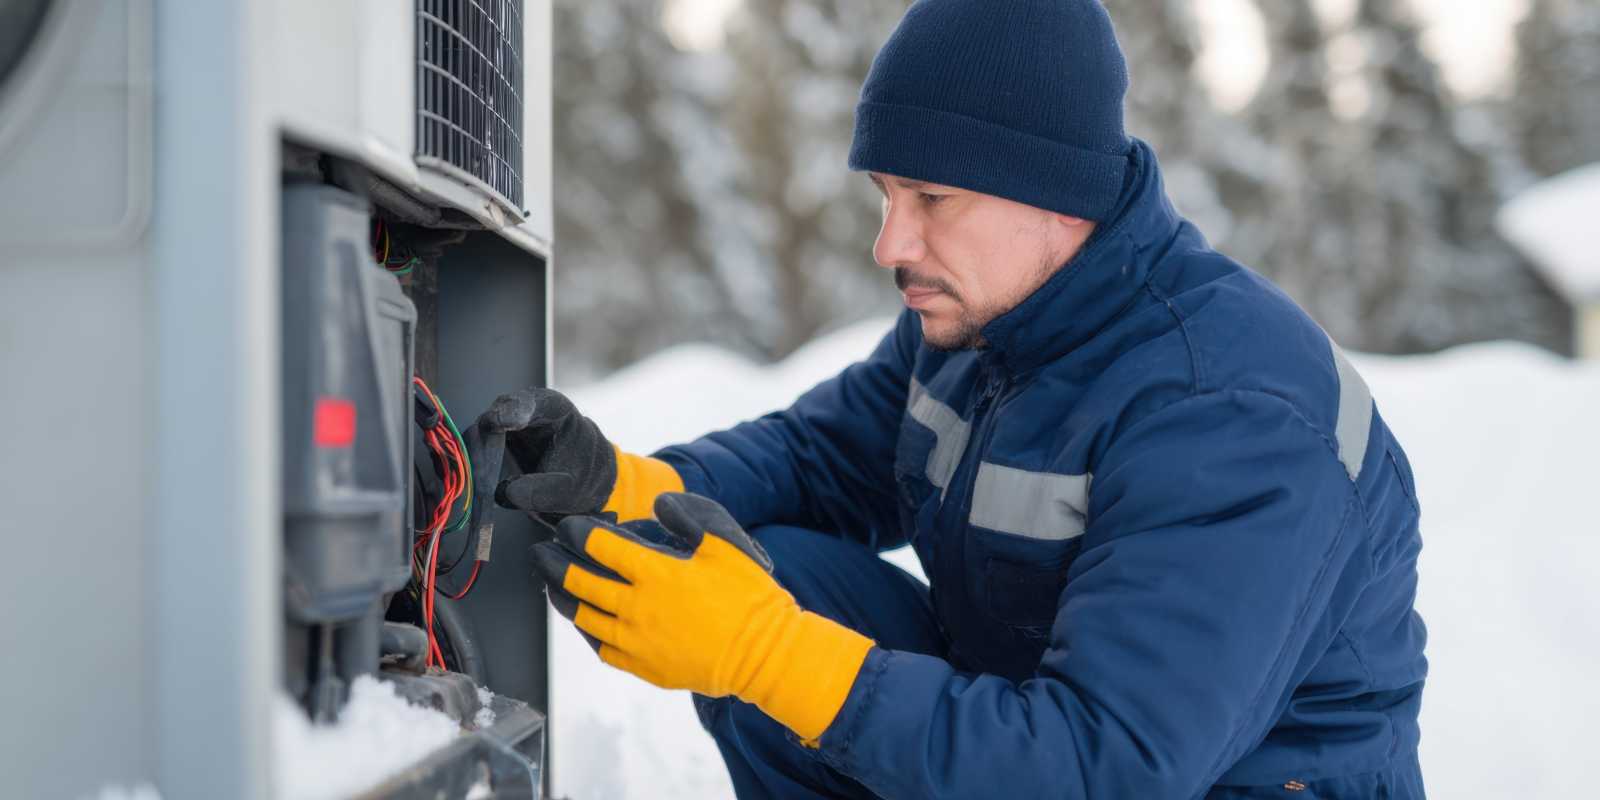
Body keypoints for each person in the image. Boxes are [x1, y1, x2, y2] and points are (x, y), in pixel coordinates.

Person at [489, 0, 1428, 796]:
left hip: (1204, 780)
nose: (890, 244)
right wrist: (622, 487)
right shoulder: (985, 322)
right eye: (886, 194)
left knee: (778, 641)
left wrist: (767, 655)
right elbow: (821, 461)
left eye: (931, 198)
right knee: (766, 569)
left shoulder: (1230, 411)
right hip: (1034, 734)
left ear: (1056, 191)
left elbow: (1108, 765)